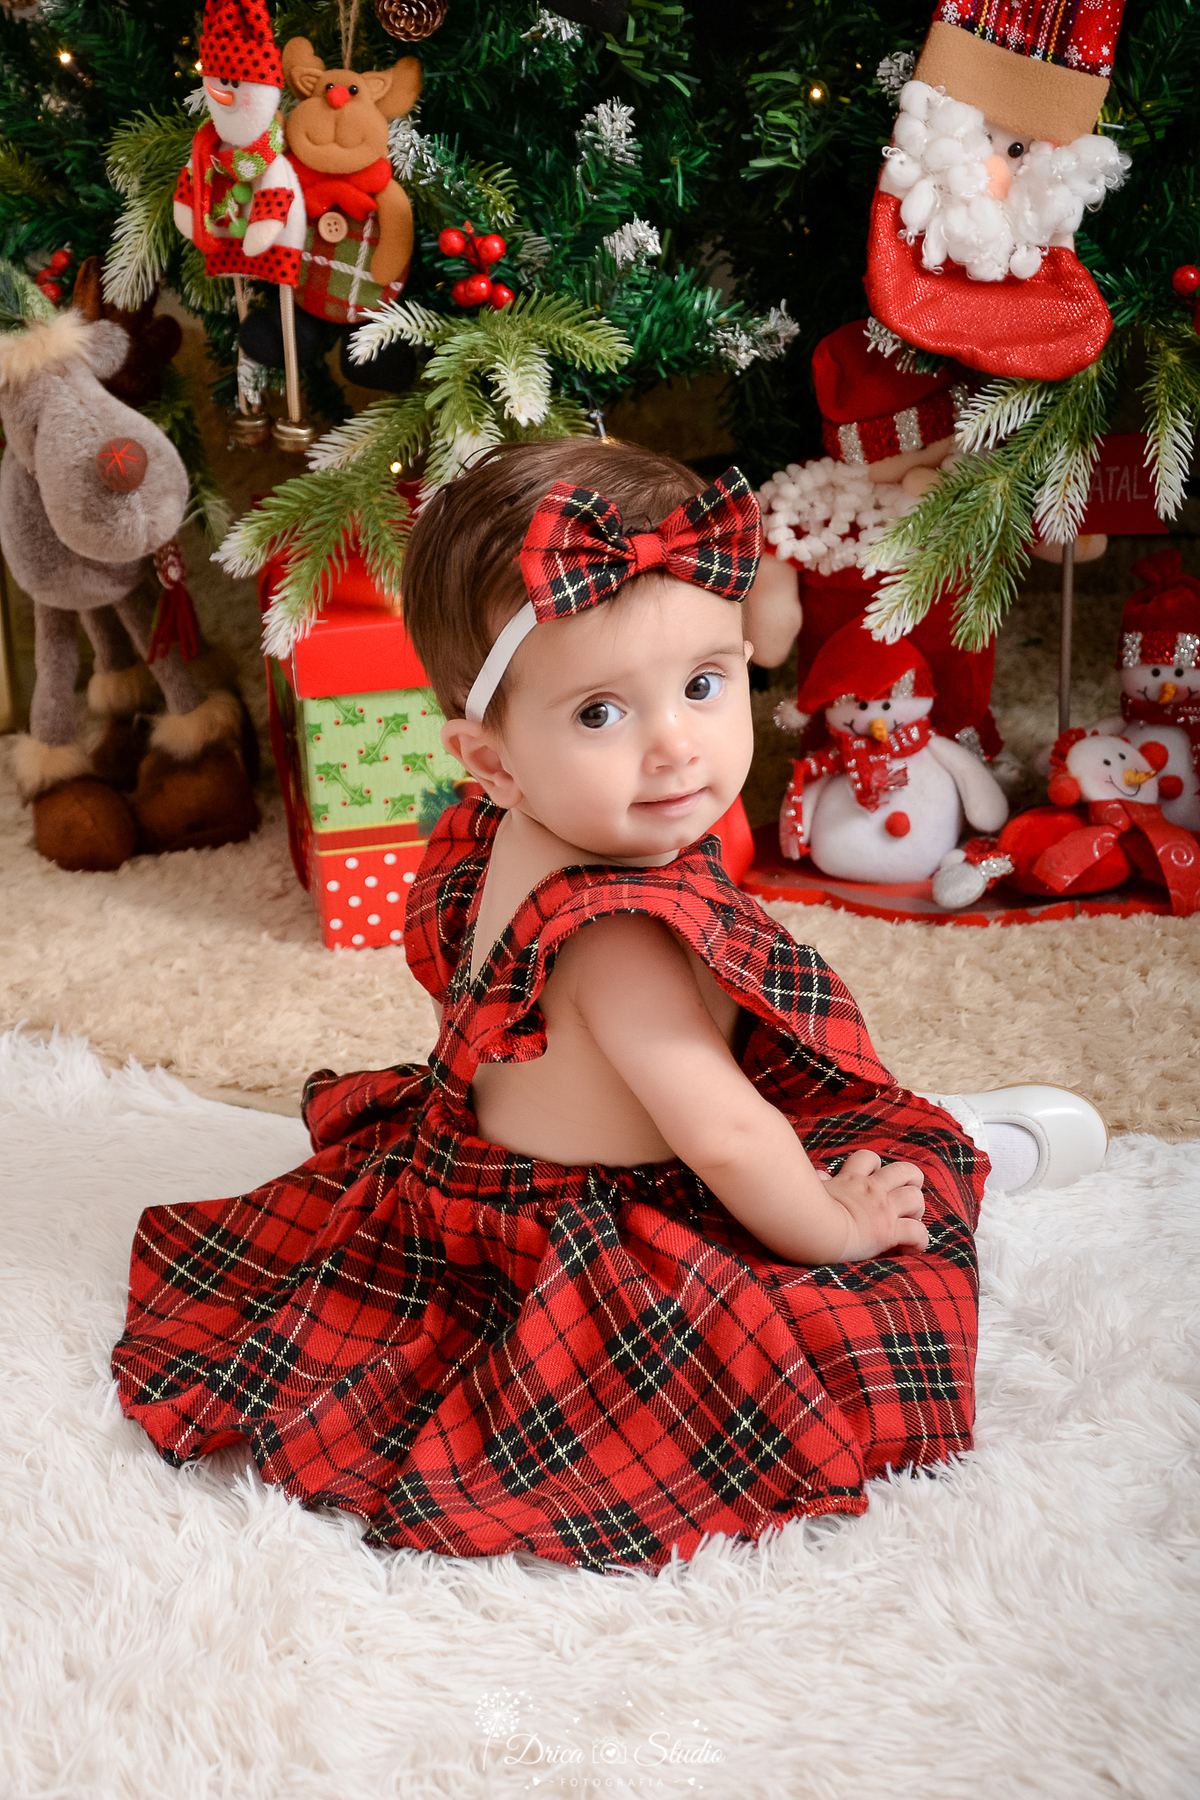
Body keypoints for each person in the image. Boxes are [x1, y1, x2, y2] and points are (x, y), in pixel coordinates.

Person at [112, 438, 1106, 1572]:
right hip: (608, 1228)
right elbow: (728, 1137)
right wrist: (836, 1229)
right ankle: (965, 1159)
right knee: (869, 1275)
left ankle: (939, 1145)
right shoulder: (618, 933)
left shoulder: (507, 829)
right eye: (599, 713)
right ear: (488, 759)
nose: (676, 745)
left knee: (829, 1117)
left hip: (476, 1169)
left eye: (702, 684)